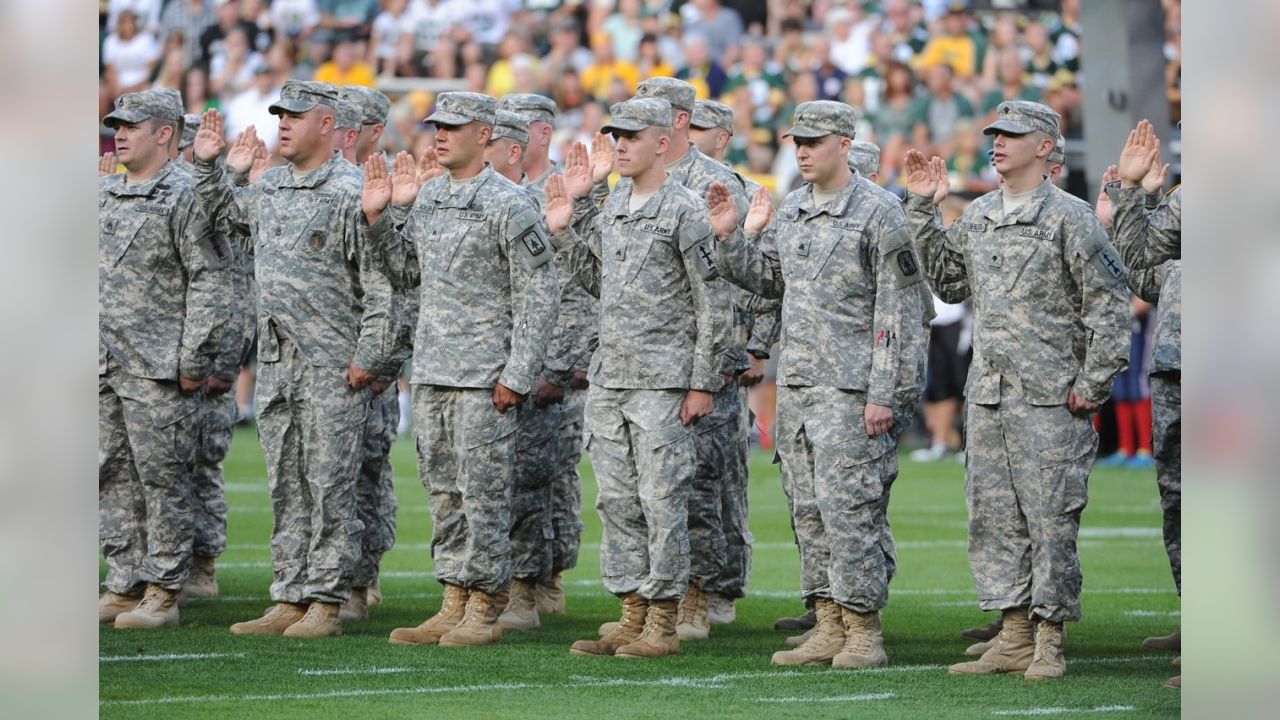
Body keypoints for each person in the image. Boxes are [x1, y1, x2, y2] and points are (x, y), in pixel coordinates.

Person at [904, 100, 1131, 680]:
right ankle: (1012, 631)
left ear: (1046, 146)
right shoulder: (978, 215)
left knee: (1050, 518)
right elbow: (950, 284)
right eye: (994, 134)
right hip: (989, 395)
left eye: (1012, 134)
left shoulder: (1070, 217)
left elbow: (1107, 307)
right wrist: (923, 213)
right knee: (993, 517)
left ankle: (1049, 637)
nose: (997, 142)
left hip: (1051, 396)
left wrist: (1093, 382)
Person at [708, 100, 928, 669]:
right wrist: (732, 241)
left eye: (812, 142)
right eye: (795, 143)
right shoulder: (794, 208)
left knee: (851, 509)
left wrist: (886, 392)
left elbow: (899, 311)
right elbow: (768, 281)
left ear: (844, 144)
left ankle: (862, 631)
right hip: (802, 387)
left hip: (854, 390)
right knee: (808, 510)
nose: (801, 151)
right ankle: (828, 621)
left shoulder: (881, 212)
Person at [193, 80, 398, 639]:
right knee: (287, 483)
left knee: (332, 485)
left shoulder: (351, 190)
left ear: (328, 125)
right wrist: (214, 170)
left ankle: (328, 600)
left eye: (297, 116)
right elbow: (221, 220)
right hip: (280, 363)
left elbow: (386, 286)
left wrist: (373, 358)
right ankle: (290, 593)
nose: (283, 123)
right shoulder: (273, 186)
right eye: (280, 114)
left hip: (335, 364)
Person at [361, 91, 559, 648]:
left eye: (452, 126)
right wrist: (379, 218)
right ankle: (453, 597)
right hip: (434, 372)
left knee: (485, 494)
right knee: (444, 492)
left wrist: (517, 375)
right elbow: (405, 273)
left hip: (484, 376)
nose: (439, 135)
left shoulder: (509, 203)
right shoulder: (428, 199)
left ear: (485, 133)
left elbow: (539, 293)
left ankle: (485, 604)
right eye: (436, 126)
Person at [544, 96, 731, 659]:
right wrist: (563, 234)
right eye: (615, 136)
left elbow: (713, 301)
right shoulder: (617, 203)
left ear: (661, 142)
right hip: (612, 377)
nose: (620, 146)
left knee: (662, 500)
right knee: (618, 501)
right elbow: (599, 282)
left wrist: (703, 382)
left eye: (630, 136)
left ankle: (663, 620)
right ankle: (631, 610)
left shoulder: (685, 208)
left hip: (664, 381)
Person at [100, 88, 233, 629]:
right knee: (111, 473)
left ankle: (164, 588)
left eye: (132, 125)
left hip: (159, 364)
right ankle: (124, 580)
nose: (119, 133)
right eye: (117, 125)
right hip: (104, 360)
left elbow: (211, 281)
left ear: (165, 133)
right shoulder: (104, 193)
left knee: (165, 478)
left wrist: (194, 358)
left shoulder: (187, 196)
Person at [632, 79, 748, 642]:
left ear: (678, 120)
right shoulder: (631, 182)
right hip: (648, 362)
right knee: (649, 487)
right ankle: (656, 595)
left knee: (702, 482)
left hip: (708, 360)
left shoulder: (716, 183)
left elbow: (735, 273)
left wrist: (740, 350)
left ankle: (699, 595)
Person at [688, 98, 783, 628]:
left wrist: (756, 346)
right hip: (685, 345)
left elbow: (762, 279)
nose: (696, 135)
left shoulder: (733, 188)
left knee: (720, 475)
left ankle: (722, 583)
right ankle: (689, 584)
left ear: (722, 138)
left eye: (705, 128)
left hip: (727, 350)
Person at [499, 93, 593, 617]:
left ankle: (542, 579)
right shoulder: (497, 190)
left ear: (538, 134)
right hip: (504, 349)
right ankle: (525, 580)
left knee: (549, 475)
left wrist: (564, 360)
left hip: (557, 355)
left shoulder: (566, 188)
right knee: (513, 475)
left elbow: (579, 285)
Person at [1106, 119, 1182, 689]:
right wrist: (1139, 196)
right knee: (1180, 499)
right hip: (1178, 365)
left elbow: (1144, 250)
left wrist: (1137, 196)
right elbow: (1146, 273)